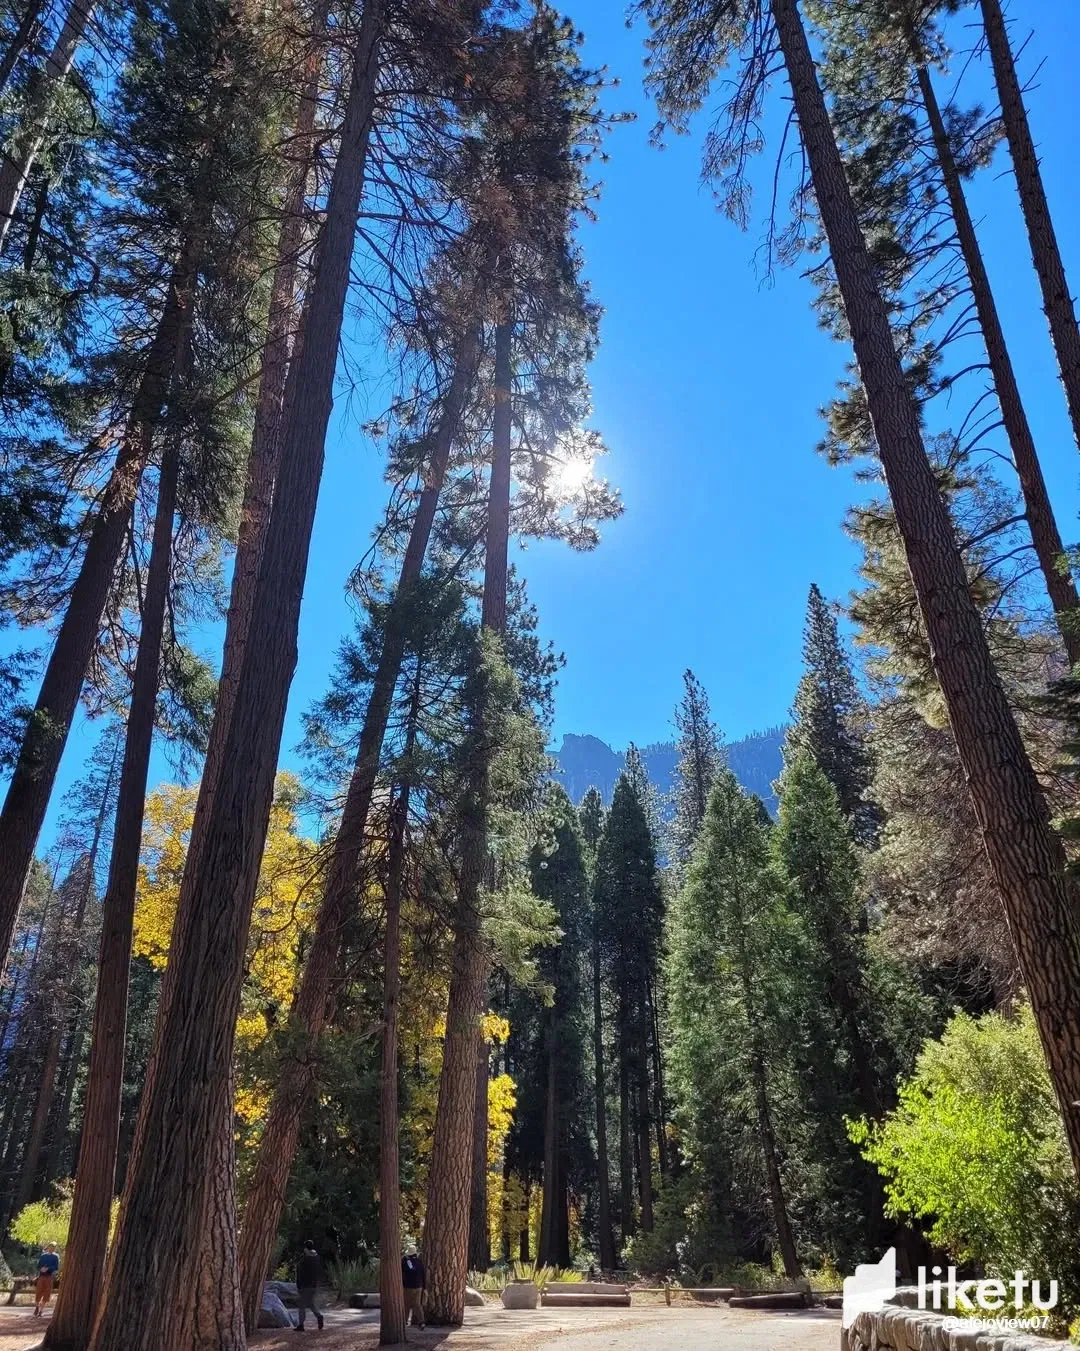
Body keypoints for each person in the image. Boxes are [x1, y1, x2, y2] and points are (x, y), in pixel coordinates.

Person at [295, 1240, 324, 1332]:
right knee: (311, 1303)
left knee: (302, 1306)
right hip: (314, 1285)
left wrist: (299, 1285)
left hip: (305, 1285)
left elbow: (300, 1273)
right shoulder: (316, 1258)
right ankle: (319, 1316)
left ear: (305, 1248)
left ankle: (301, 1325)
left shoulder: (304, 1260)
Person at [401, 1244, 425, 1329]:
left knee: (406, 1304)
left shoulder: (405, 1261)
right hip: (419, 1286)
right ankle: (421, 1321)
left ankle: (404, 1321)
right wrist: (424, 1287)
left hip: (408, 1286)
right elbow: (423, 1274)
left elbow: (402, 1272)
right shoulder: (419, 1261)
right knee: (417, 1304)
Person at [34, 1243, 59, 1317]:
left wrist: (48, 1268)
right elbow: (38, 1265)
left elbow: (56, 1267)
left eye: (53, 1247)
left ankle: (41, 1311)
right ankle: (37, 1307)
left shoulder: (55, 1257)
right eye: (51, 1247)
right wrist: (41, 1269)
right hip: (41, 1276)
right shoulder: (43, 1256)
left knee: (47, 1294)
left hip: (49, 1276)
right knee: (38, 1292)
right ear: (48, 1247)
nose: (52, 1248)